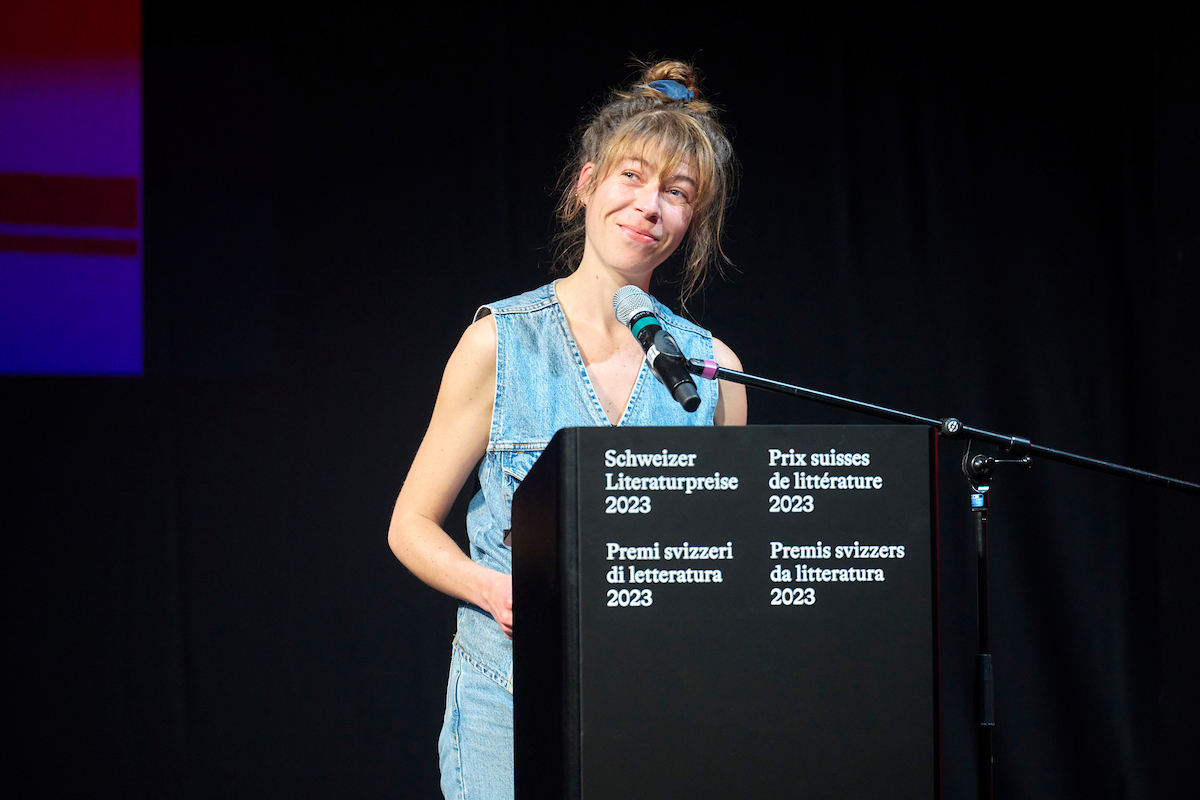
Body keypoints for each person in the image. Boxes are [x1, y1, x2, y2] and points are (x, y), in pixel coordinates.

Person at [387, 59, 747, 800]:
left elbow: (729, 561)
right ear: (586, 185)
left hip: (656, 704)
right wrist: (493, 589)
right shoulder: (499, 343)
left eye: (677, 192)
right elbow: (409, 525)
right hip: (505, 698)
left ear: (691, 223)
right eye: (632, 177)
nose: (650, 205)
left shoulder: (714, 372)